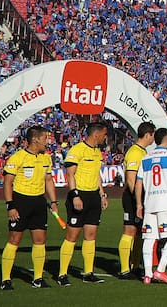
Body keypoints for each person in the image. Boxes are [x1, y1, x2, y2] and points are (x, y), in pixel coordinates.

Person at [0, 126, 60, 290]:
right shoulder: (17, 158)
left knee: (40, 241)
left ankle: (38, 279)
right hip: (20, 202)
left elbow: (48, 181)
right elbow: (7, 183)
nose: (47, 142)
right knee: (14, 240)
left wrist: (54, 202)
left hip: (39, 203)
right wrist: (10, 205)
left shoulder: (46, 158)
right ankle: (5, 279)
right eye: (45, 138)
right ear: (35, 139)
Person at [58, 120, 110, 286]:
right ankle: (62, 274)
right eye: (104, 134)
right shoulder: (77, 150)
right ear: (96, 134)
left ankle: (88, 273)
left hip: (94, 197)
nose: (105, 137)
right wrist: (75, 196)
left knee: (91, 236)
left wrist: (102, 195)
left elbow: (97, 175)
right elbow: (70, 174)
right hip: (79, 196)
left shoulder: (97, 152)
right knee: (72, 236)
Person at [134, 127, 167, 285]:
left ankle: (148, 274)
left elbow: (139, 183)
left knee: (149, 238)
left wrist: (138, 204)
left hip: (149, 203)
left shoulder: (146, 158)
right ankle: (161, 269)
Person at [117, 121, 155, 280]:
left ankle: (135, 265)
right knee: (130, 231)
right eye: (152, 135)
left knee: (140, 232)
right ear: (147, 135)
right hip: (133, 197)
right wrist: (137, 199)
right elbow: (131, 180)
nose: (153, 138)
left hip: (140, 196)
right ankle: (125, 269)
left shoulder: (142, 152)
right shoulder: (134, 152)